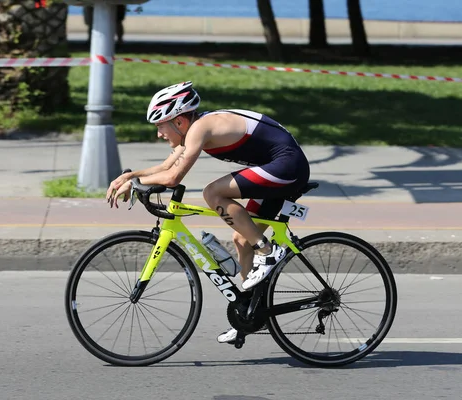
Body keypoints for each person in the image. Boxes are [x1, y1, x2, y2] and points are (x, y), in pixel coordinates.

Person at [106, 81, 310, 344]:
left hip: (287, 167)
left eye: (160, 126)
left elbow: (173, 177)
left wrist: (134, 185)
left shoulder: (200, 128)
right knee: (241, 240)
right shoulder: (193, 129)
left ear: (179, 121)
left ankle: (267, 252)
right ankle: (249, 314)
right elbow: (167, 166)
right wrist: (131, 177)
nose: (159, 134)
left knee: (213, 193)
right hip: (274, 166)